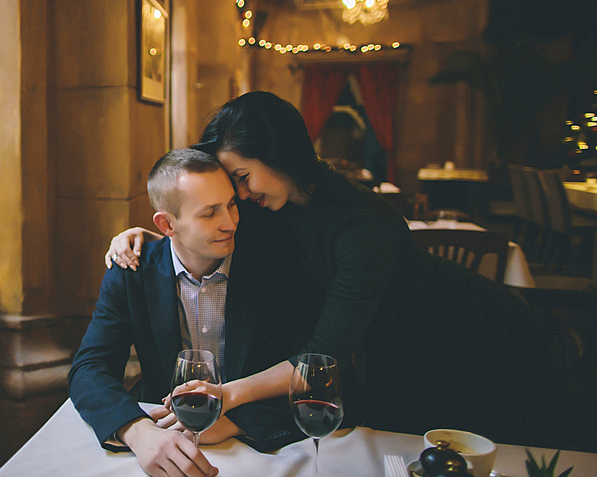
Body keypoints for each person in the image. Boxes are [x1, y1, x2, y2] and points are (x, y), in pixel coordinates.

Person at [107, 91, 558, 445]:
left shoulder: (363, 225)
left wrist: (228, 396)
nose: (240, 196)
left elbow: (321, 357)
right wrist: (156, 239)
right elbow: (199, 222)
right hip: (391, 347)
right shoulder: (271, 205)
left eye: (241, 178)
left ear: (278, 153)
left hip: (470, 334)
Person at [69, 148, 318, 477]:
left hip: (260, 448)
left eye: (231, 204)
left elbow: (310, 369)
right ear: (167, 224)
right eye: (210, 213)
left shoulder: (273, 267)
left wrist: (235, 423)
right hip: (164, 434)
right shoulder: (132, 270)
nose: (230, 223)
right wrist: (139, 433)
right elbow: (89, 368)